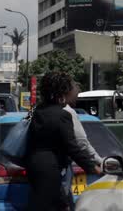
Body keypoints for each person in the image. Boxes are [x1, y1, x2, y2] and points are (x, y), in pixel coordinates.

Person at [25, 72, 100, 211]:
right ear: (64, 92)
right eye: (73, 87)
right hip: (50, 170)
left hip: (34, 167)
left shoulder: (38, 111)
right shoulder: (62, 115)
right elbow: (73, 147)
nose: (76, 91)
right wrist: (93, 167)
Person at [61, 82, 103, 209]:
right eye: (75, 94)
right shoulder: (67, 112)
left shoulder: (40, 110)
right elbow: (80, 143)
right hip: (61, 168)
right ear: (67, 93)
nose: (77, 97)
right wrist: (98, 162)